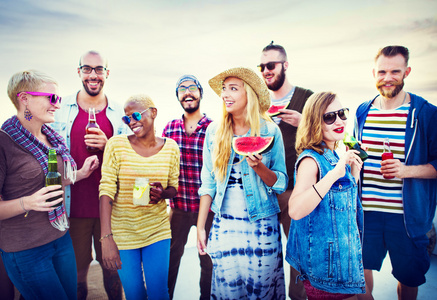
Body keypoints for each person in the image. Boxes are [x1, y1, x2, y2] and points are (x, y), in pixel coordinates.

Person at [0, 70, 99, 299]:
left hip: (60, 238)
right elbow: (31, 196)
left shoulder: (50, 136)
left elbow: (49, 179)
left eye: (59, 99)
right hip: (26, 250)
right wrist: (27, 202)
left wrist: (81, 174)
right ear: (24, 98)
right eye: (51, 98)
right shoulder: (4, 142)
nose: (57, 105)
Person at [354, 45, 437, 300]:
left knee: (408, 279)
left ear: (407, 72)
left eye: (395, 71)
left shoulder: (426, 114)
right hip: (366, 213)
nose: (387, 78)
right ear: (373, 73)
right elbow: (357, 154)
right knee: (360, 273)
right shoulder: (362, 111)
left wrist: (405, 170)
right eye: (382, 72)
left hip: (406, 217)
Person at [197, 67, 288, 299]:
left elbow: (281, 183)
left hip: (262, 225)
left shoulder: (270, 130)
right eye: (224, 89)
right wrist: (200, 226)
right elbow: (207, 182)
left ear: (249, 94)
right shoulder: (214, 131)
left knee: (261, 293)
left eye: (233, 89)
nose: (226, 94)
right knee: (228, 293)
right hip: (224, 225)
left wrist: (259, 167)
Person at [52, 50, 125, 299]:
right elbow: (48, 156)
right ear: (79, 72)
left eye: (99, 69)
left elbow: (128, 160)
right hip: (74, 208)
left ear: (107, 73)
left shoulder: (119, 113)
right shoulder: (59, 110)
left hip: (112, 209)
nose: (93, 75)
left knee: (113, 272)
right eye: (87, 69)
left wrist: (109, 146)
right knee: (76, 275)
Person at [99, 94, 180, 300]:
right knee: (135, 294)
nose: (132, 122)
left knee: (159, 294)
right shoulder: (116, 145)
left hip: (157, 230)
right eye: (126, 118)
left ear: (153, 112)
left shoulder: (171, 147)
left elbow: (173, 188)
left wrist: (163, 194)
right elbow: (106, 190)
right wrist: (106, 238)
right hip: (124, 233)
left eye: (135, 115)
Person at [286, 91, 366, 299]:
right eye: (329, 117)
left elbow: (336, 202)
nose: (339, 121)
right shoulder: (310, 161)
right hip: (326, 269)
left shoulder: (332, 155)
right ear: (315, 124)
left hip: (344, 261)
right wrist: (335, 174)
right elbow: (295, 210)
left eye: (342, 113)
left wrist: (353, 174)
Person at [259, 41, 313, 300]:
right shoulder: (257, 101)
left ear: (285, 65)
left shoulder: (308, 98)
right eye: (262, 66)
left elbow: (329, 139)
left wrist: (304, 123)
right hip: (263, 190)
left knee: (299, 257)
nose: (266, 71)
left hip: (295, 191)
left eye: (271, 65)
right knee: (265, 256)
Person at [163, 75, 214, 299]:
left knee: (209, 262)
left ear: (200, 93)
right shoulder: (170, 128)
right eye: (182, 89)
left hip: (210, 210)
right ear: (177, 96)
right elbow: (161, 166)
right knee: (170, 261)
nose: (187, 93)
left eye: (192, 88)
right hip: (179, 209)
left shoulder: (213, 128)